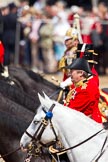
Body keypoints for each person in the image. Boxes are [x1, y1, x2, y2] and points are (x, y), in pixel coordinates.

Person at [64, 57, 102, 123]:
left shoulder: (87, 88)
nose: (69, 74)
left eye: (72, 71)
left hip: (87, 126)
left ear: (81, 73)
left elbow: (72, 111)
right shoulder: (79, 86)